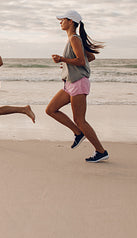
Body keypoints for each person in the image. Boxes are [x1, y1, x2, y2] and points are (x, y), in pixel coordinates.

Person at [45, 10, 109, 162]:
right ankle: (78, 133)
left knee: (80, 120)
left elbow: (81, 61)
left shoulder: (74, 38)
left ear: (71, 22)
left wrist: (63, 59)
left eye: (63, 19)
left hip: (78, 83)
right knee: (51, 110)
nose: (60, 22)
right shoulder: (74, 39)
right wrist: (68, 66)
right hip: (71, 82)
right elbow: (90, 57)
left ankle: (101, 151)